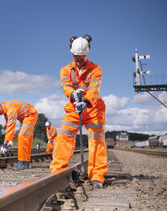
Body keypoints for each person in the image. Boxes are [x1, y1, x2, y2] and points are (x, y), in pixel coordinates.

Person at [49, 35, 108, 189]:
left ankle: (96, 176)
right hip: (74, 107)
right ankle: (58, 172)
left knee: (96, 140)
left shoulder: (96, 69)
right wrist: (73, 95)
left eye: (81, 57)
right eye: (76, 56)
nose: (79, 59)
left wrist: (86, 101)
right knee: (64, 136)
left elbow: (95, 89)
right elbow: (66, 86)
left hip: (93, 108)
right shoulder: (65, 70)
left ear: (87, 54)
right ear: (72, 53)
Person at [0, 97, 38, 170]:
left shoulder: (10, 109)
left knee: (22, 136)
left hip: (30, 114)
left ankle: (22, 163)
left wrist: (4, 144)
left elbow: (11, 127)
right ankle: (25, 163)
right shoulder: (6, 112)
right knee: (24, 138)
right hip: (25, 117)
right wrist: (10, 141)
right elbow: (8, 128)